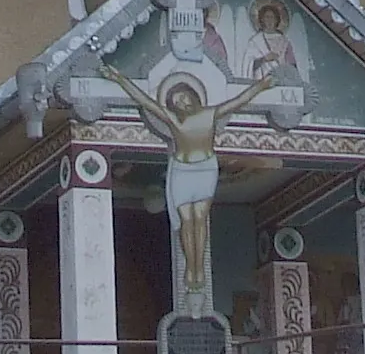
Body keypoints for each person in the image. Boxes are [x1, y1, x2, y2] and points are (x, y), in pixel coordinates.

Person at [108, 62, 279, 310]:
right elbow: (145, 102)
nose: (182, 104)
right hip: (181, 171)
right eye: (176, 102)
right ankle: (192, 270)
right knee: (186, 221)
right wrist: (120, 79)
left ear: (194, 97)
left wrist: (261, 86)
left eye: (185, 98)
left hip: (204, 170)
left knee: (200, 217)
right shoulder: (173, 119)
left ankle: (199, 268)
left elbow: (238, 101)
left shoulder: (210, 114)